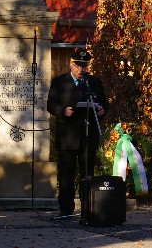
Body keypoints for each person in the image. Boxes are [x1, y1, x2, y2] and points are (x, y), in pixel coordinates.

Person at [47, 50, 108, 216]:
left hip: (88, 134)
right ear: (71, 64)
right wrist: (62, 111)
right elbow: (50, 105)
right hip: (68, 134)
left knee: (87, 173)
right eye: (78, 65)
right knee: (66, 173)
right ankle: (66, 208)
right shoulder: (59, 82)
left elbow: (104, 102)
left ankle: (88, 207)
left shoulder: (93, 82)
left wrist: (102, 109)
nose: (81, 69)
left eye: (84, 65)